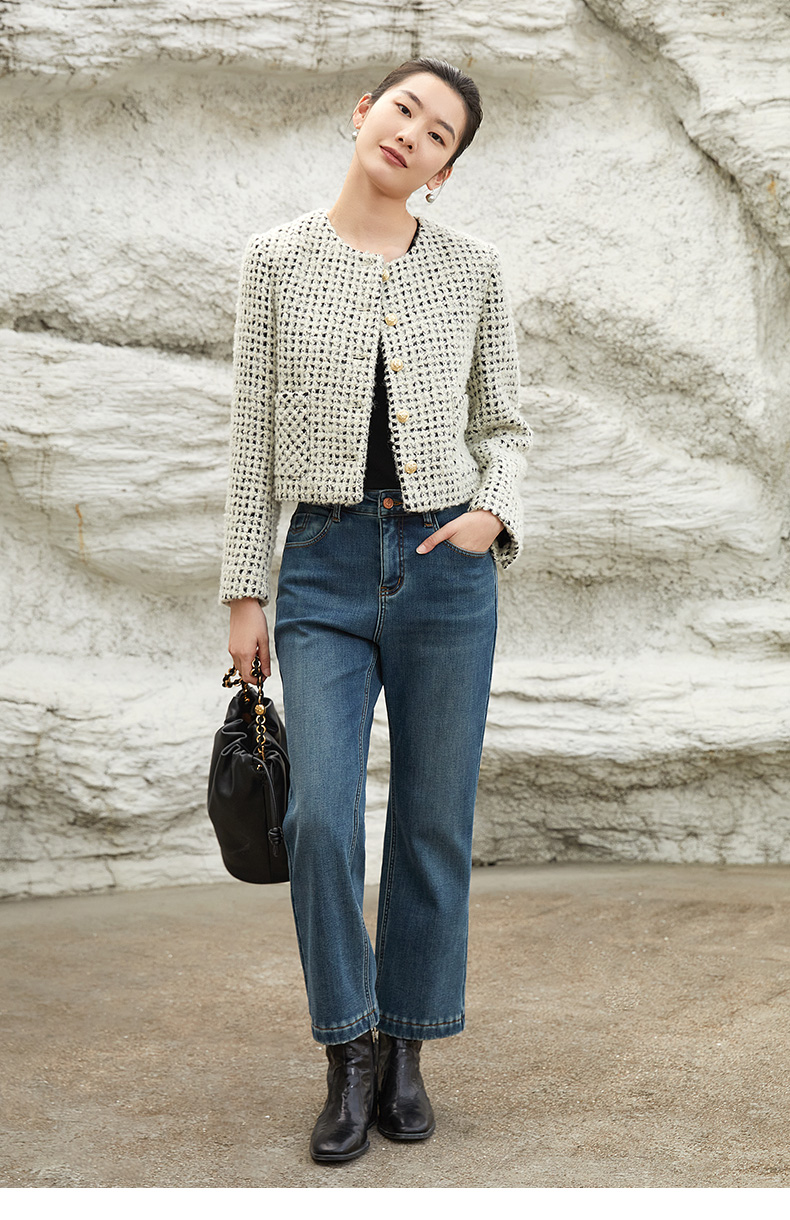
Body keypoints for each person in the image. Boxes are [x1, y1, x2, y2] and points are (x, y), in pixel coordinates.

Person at [219, 56, 533, 1164]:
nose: (413, 133)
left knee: (434, 820)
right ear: (364, 113)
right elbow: (251, 437)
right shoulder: (275, 259)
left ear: (444, 170)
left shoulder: (473, 269)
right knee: (319, 820)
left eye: (439, 133)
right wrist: (244, 590)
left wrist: (491, 512)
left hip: (446, 564)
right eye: (404, 109)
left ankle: (408, 1046)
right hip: (322, 562)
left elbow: (506, 424)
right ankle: (346, 1045)